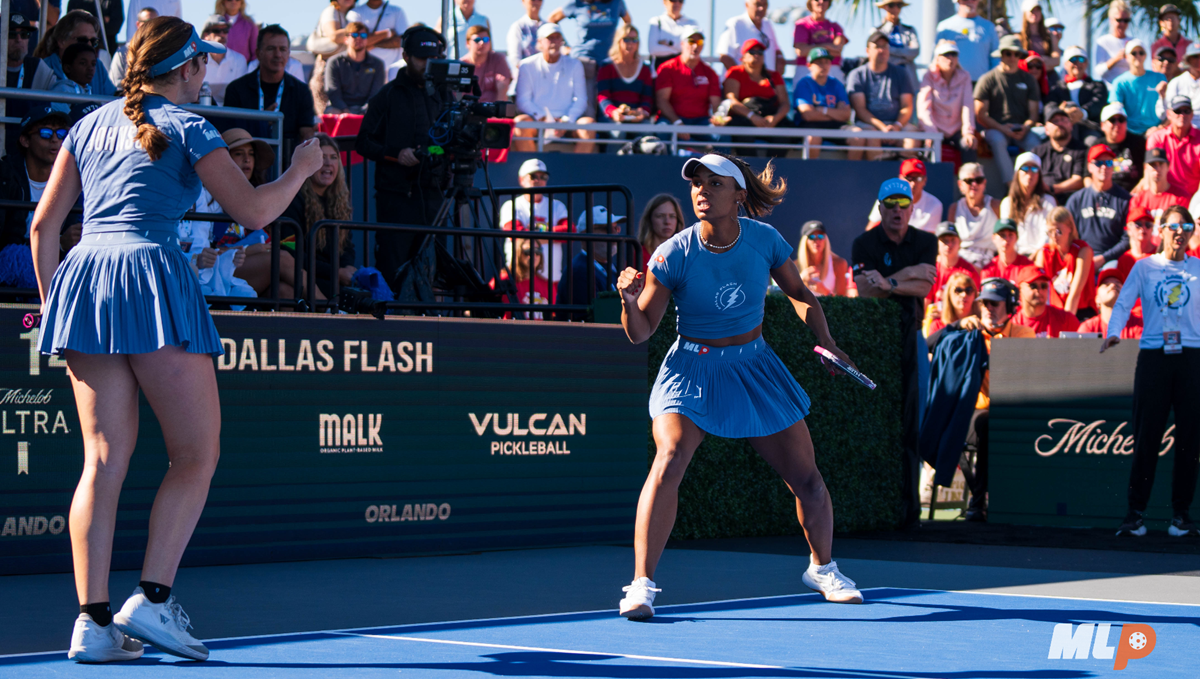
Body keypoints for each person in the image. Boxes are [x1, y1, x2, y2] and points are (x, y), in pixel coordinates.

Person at [30, 16, 322, 664]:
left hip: (86, 284)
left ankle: (92, 621)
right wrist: (301, 168)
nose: (207, 75)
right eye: (202, 66)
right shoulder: (190, 126)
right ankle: (152, 598)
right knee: (196, 453)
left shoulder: (86, 126)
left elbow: (43, 229)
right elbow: (253, 212)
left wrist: (58, 310)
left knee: (101, 463)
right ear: (186, 69)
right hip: (149, 279)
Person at [616, 152, 864, 620]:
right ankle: (641, 585)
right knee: (668, 458)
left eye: (714, 183)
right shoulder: (672, 253)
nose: (701, 191)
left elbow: (799, 293)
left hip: (754, 367)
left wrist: (827, 341)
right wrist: (629, 302)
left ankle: (823, 568)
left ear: (738, 195)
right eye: (697, 184)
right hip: (690, 370)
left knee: (807, 480)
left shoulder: (765, 240)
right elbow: (641, 329)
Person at [1103, 204, 1200, 539]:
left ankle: (1181, 516)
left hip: (1191, 358)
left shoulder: (1199, 269)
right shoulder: (1144, 268)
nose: (1179, 232)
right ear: (1161, 231)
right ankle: (1135, 515)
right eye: (1173, 227)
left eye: (1185, 226)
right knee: (1147, 437)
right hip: (1154, 357)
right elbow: (1123, 303)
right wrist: (1113, 332)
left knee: (1190, 440)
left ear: (1191, 233)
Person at [853, 177, 937, 528]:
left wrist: (887, 281)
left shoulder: (927, 240)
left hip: (912, 334)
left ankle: (910, 510)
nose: (897, 211)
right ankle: (872, 506)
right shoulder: (864, 242)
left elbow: (927, 283)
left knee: (914, 421)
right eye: (891, 205)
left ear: (912, 208)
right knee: (874, 421)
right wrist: (905, 279)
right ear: (881, 208)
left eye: (904, 205)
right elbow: (864, 291)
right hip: (874, 339)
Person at [935, 277, 1035, 521]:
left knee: (989, 424)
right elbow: (928, 343)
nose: (988, 308)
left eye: (995, 303)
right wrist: (957, 326)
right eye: (984, 303)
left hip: (1012, 411)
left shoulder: (1023, 333)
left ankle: (983, 499)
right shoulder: (971, 331)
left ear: (1010, 308)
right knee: (965, 423)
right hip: (975, 412)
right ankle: (981, 497)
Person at [356, 26, 448, 281]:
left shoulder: (445, 96)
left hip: (435, 198)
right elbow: (363, 143)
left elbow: (444, 145)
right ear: (406, 56)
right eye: (421, 58)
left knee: (434, 273)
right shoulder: (387, 95)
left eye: (433, 59)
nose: (427, 65)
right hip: (397, 199)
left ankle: (432, 320)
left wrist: (429, 151)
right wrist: (398, 154)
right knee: (392, 270)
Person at [279, 133, 355, 299]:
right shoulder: (293, 200)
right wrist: (336, 272)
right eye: (321, 157)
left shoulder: (340, 203)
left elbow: (348, 246)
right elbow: (290, 251)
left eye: (333, 157)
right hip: (306, 278)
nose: (328, 163)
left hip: (335, 277)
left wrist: (348, 268)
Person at [224, 25, 317, 151]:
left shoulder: (301, 91)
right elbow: (230, 135)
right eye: (271, 49)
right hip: (247, 161)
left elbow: (306, 133)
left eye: (283, 49)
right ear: (258, 53)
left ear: (289, 54)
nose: (277, 54)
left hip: (288, 163)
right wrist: (261, 124)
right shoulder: (236, 89)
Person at [513, 24, 595, 154]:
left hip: (568, 122)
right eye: (550, 38)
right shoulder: (526, 65)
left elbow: (581, 99)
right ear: (540, 42)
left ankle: (577, 172)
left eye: (558, 38)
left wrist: (566, 121)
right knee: (520, 122)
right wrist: (543, 119)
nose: (555, 42)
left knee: (588, 125)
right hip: (538, 122)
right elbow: (523, 101)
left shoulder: (574, 64)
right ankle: (532, 169)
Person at [974, 34, 1041, 185]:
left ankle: (1033, 186)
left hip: (1022, 129)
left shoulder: (1028, 79)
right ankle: (1011, 185)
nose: (1012, 57)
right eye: (1008, 53)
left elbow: (1033, 113)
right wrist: (1002, 128)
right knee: (997, 141)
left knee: (1035, 143)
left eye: (1016, 54)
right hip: (995, 129)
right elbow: (980, 115)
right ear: (1001, 54)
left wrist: (1025, 127)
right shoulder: (988, 79)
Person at [548, 0, 630, 117]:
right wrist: (564, 45)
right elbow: (552, 19)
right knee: (587, 109)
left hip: (608, 62)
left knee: (608, 108)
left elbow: (628, 23)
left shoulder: (616, 3)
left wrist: (620, 45)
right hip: (584, 61)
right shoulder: (577, 3)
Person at [847, 30, 919, 159]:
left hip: (896, 124)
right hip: (869, 125)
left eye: (884, 46)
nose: (882, 50)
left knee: (913, 137)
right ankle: (877, 176)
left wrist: (896, 126)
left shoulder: (901, 73)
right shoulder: (857, 75)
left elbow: (907, 106)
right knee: (871, 136)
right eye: (877, 47)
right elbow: (860, 110)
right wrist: (882, 128)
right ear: (867, 51)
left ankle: (905, 176)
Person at [499, 158, 571, 282]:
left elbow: (569, 231)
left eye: (543, 177)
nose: (538, 180)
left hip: (551, 278)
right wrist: (551, 234)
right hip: (520, 278)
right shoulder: (511, 205)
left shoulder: (557, 205)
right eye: (533, 176)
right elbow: (516, 233)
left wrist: (532, 232)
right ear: (521, 179)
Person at [1067, 143, 1131, 266]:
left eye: (1108, 163)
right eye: (1098, 163)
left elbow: (1127, 239)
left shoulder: (1124, 200)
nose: (1104, 167)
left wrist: (1103, 259)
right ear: (1089, 167)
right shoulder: (1076, 200)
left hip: (1111, 260)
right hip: (1080, 259)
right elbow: (1067, 235)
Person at [793, 47, 861, 160]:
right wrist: (835, 113)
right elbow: (808, 115)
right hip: (810, 125)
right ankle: (811, 174)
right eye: (819, 62)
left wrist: (822, 110)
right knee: (813, 138)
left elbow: (846, 114)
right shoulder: (804, 84)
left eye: (827, 62)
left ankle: (851, 174)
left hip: (834, 125)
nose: (824, 66)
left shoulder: (836, 83)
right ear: (809, 65)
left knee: (858, 135)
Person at [917, 39, 977, 162]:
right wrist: (931, 132)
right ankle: (929, 180)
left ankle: (971, 180)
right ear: (937, 58)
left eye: (954, 54)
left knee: (969, 144)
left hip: (957, 130)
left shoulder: (965, 76)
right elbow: (924, 108)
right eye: (946, 54)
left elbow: (968, 106)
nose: (950, 58)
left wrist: (968, 132)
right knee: (929, 147)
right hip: (935, 130)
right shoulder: (928, 76)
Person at [31, 10, 115, 95]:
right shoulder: (43, 69)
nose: (89, 46)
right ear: (62, 41)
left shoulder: (98, 66)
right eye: (82, 40)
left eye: (93, 41)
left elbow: (112, 99)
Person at [558, 204, 624, 312]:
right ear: (585, 234)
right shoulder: (580, 271)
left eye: (616, 228)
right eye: (606, 228)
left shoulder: (613, 267)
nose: (613, 233)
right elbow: (589, 320)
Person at [655, 27, 720, 133]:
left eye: (699, 41)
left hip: (701, 122)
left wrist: (719, 118)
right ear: (682, 44)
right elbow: (662, 100)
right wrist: (677, 123)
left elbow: (716, 103)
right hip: (672, 120)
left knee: (722, 136)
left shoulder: (710, 73)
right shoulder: (668, 68)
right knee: (662, 131)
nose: (695, 46)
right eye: (691, 41)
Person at [1036, 206, 1095, 316]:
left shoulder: (1082, 251)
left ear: (1070, 228)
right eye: (1050, 232)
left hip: (1081, 310)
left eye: (1058, 231)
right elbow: (1036, 286)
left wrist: (1066, 324)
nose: (1054, 236)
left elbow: (1075, 293)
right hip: (1054, 310)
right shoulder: (1044, 253)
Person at [722, 38, 789, 131]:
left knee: (784, 134)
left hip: (771, 118)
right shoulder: (735, 72)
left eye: (760, 52)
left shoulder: (774, 76)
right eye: (752, 52)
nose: (757, 55)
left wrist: (775, 118)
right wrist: (752, 116)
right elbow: (731, 100)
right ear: (743, 57)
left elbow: (785, 103)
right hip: (745, 118)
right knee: (743, 132)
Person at [1046, 46, 1107, 145]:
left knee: (1092, 142)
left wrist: (1082, 112)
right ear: (1065, 64)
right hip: (1062, 128)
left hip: (1089, 127)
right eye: (1073, 59)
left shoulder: (1097, 85)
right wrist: (1061, 113)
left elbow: (1098, 103)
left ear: (1086, 63)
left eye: (1081, 59)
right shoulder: (1056, 88)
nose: (1077, 63)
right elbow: (1049, 106)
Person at [1108, 40, 1166, 145]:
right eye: (1133, 53)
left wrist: (1159, 128)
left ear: (1146, 55)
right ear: (1126, 56)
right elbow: (1115, 110)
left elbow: (1170, 109)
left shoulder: (1159, 78)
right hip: (1129, 133)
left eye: (1141, 52)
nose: (1138, 55)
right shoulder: (1119, 82)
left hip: (1157, 132)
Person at [596, 24, 654, 127]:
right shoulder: (607, 66)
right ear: (618, 41)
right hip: (611, 118)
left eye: (634, 39)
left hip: (637, 118)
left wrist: (642, 112)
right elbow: (602, 96)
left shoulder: (645, 68)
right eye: (626, 39)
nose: (630, 43)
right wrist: (613, 112)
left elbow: (647, 97)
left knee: (647, 130)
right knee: (619, 133)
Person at [324, 21, 386, 115]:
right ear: (346, 39)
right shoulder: (334, 62)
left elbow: (376, 93)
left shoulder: (377, 64)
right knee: (330, 112)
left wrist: (365, 110)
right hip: (340, 109)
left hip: (367, 109)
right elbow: (333, 92)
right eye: (354, 35)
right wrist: (345, 111)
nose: (359, 38)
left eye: (363, 35)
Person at [1000, 151, 1055, 256]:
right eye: (1025, 169)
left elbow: (1049, 234)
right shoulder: (1007, 203)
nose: (1030, 174)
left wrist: (1035, 255)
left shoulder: (1048, 201)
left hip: (1041, 257)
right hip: (1015, 257)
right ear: (1017, 174)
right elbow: (1005, 234)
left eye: (1034, 169)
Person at [866, 157, 942, 232]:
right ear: (900, 179)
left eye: (918, 178)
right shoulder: (885, 199)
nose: (913, 184)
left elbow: (928, 241)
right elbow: (870, 233)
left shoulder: (935, 204)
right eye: (909, 178)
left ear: (925, 180)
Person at [1146, 95, 1200, 198]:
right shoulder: (1157, 138)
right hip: (1164, 197)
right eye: (1178, 111)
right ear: (1169, 114)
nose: (1182, 115)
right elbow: (1150, 173)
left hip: (1193, 199)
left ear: (1192, 114)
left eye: (1186, 111)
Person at [948, 162, 1000, 268]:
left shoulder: (995, 205)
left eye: (978, 180)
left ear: (984, 183)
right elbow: (950, 240)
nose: (974, 184)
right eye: (969, 181)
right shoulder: (954, 208)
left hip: (991, 263)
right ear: (960, 185)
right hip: (961, 262)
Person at [1032, 103, 1085, 206]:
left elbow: (1078, 181)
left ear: (1071, 125)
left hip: (1071, 201)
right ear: (1046, 129)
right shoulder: (1037, 152)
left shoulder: (1081, 150)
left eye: (1064, 120)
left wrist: (1052, 189)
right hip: (1042, 200)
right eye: (1055, 121)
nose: (1060, 123)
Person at [935, 0, 999, 83]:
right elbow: (936, 58)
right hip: (952, 85)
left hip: (981, 84)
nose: (969, 1)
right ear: (957, 1)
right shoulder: (944, 27)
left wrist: (992, 82)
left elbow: (995, 58)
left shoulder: (989, 27)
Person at [1010, 264, 1081, 335]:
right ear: (1019, 289)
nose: (1040, 290)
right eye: (1033, 286)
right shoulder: (1012, 326)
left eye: (1044, 286)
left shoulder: (1066, 320)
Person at [717, 0, 783, 74]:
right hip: (740, 84)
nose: (761, 8)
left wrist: (780, 58)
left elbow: (776, 50)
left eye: (764, 4)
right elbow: (725, 56)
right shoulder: (735, 23)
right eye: (757, 4)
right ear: (746, 5)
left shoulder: (767, 24)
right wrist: (742, 80)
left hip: (766, 83)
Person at [1079, 261, 1142, 338]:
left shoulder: (1140, 324)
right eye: (1106, 284)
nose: (1113, 285)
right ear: (1097, 299)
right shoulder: (1088, 328)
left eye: (1118, 284)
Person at [927, 220, 979, 307]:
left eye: (953, 240)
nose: (949, 244)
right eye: (945, 241)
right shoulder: (931, 270)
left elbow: (974, 305)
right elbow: (926, 302)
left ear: (960, 243)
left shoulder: (969, 272)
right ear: (936, 244)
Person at [347, 0, 407, 74]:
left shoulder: (397, 11)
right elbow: (355, 41)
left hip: (393, 71)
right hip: (366, 72)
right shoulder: (355, 13)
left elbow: (401, 41)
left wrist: (372, 43)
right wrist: (388, 33)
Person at [793, 0, 847, 82]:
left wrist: (811, 48)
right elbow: (801, 51)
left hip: (832, 70)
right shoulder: (802, 25)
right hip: (806, 70)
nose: (821, 2)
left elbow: (838, 50)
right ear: (810, 2)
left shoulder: (835, 27)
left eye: (825, 0)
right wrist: (828, 46)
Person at [1130, 147, 1188, 223]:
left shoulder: (1181, 198)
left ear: (1168, 166)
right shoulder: (1137, 200)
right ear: (1145, 167)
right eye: (1153, 164)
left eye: (1161, 164)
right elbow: (1132, 228)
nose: (1157, 169)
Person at [201, 16, 248, 106]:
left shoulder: (239, 60)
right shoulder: (198, 61)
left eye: (225, 30)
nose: (222, 34)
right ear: (206, 36)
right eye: (217, 31)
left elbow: (242, 95)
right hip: (204, 114)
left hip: (232, 115)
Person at [1097, 102, 1142, 192]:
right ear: (1103, 125)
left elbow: (1148, 174)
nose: (1117, 124)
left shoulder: (1139, 143)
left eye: (1121, 119)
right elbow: (1087, 177)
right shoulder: (1097, 147)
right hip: (1106, 196)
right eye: (1112, 120)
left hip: (1133, 195)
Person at [796, 219, 847, 296]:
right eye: (812, 236)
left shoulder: (838, 264)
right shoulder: (795, 266)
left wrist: (825, 292)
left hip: (829, 308)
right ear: (804, 241)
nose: (817, 240)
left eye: (820, 236)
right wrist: (800, 279)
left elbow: (842, 301)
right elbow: (784, 297)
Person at [461, 25, 511, 104]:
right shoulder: (462, 65)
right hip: (467, 111)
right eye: (477, 40)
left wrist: (498, 113)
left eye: (485, 39)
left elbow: (503, 87)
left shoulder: (498, 59)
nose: (482, 43)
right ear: (468, 43)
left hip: (491, 111)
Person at [109, 7, 156, 91]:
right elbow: (115, 85)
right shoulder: (123, 53)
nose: (152, 26)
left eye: (155, 23)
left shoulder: (164, 52)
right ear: (138, 24)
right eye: (148, 22)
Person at [875, 0, 918, 91]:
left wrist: (890, 50)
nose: (895, 8)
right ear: (885, 7)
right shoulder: (877, 32)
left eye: (899, 5)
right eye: (891, 5)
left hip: (908, 76)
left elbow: (914, 51)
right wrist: (904, 54)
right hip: (886, 77)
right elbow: (879, 54)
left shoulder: (910, 30)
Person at [647, 0, 698, 71]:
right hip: (660, 74)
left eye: (680, 1)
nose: (677, 3)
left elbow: (695, 47)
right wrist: (681, 51)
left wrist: (669, 43)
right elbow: (653, 49)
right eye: (673, 0)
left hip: (684, 73)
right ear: (664, 2)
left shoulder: (692, 24)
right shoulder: (656, 21)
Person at [636, 193, 684, 269]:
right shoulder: (639, 255)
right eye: (660, 216)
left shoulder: (686, 255)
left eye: (672, 216)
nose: (667, 222)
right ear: (649, 220)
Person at [924, 268, 978, 336]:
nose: (964, 295)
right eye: (958, 290)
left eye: (969, 290)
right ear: (949, 295)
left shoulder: (983, 324)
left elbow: (994, 345)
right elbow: (928, 344)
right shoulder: (937, 325)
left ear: (975, 295)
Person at [1116, 206, 1158, 282]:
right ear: (1128, 229)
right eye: (1138, 224)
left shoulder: (1160, 254)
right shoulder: (1124, 260)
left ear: (1152, 228)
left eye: (1148, 224)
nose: (1143, 228)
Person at [507, 0, 545, 85]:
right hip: (524, 82)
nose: (536, 2)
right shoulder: (518, 27)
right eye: (532, 0)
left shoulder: (548, 27)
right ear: (523, 2)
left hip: (546, 82)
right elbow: (515, 58)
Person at [1094, 0, 1132, 84]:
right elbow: (1099, 71)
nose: (1122, 24)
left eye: (1126, 20)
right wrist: (1116, 59)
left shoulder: (1134, 42)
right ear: (1111, 20)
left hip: (1130, 90)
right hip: (1110, 91)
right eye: (1119, 20)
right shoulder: (1102, 42)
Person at [1159, 43, 1200, 118]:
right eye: (1195, 56)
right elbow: (1165, 113)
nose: (1199, 60)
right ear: (1187, 60)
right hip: (1181, 126)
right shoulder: (1176, 82)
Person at [1019, 0, 1058, 70]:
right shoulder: (1018, 37)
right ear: (1025, 13)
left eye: (1038, 10)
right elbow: (1017, 62)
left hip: (1047, 77)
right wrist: (1044, 60)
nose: (1035, 13)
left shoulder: (1050, 36)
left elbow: (1056, 61)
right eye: (1032, 10)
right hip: (1026, 78)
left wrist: (1034, 62)